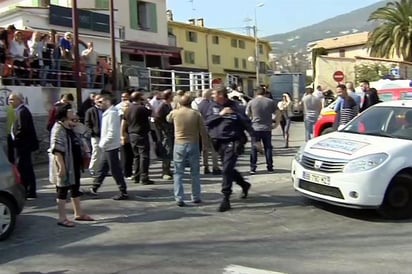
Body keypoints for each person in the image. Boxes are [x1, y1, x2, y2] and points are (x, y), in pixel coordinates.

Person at [204, 86, 253, 212]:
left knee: (226, 169)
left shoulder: (236, 106)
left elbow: (247, 123)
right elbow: (207, 122)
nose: (212, 96)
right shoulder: (212, 106)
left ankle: (226, 197)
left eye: (214, 94)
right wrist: (221, 115)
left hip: (233, 141)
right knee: (228, 168)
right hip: (218, 142)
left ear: (221, 94)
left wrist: (255, 140)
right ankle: (244, 184)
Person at [49, 104, 94, 227]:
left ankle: (78, 213)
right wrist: (61, 167)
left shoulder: (70, 127)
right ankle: (62, 218)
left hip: (73, 163)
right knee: (62, 190)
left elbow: (84, 133)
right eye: (71, 112)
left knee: (75, 188)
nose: (73, 114)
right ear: (64, 115)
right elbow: (57, 150)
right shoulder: (58, 129)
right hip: (65, 164)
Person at [166, 95, 208, 207]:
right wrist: (204, 144)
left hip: (179, 144)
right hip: (193, 144)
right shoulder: (196, 114)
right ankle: (196, 196)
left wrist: (175, 107)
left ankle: (179, 197)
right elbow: (202, 130)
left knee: (178, 172)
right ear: (190, 102)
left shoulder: (175, 113)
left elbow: (168, 119)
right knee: (195, 172)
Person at [86, 93, 129, 200]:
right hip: (107, 146)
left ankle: (123, 191)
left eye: (100, 101)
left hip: (110, 145)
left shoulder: (112, 114)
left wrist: (102, 143)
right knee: (102, 168)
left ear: (107, 101)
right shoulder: (108, 113)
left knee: (115, 170)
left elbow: (112, 132)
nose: (98, 104)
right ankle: (94, 188)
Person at [8, 92, 39, 199]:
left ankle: (30, 190)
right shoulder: (19, 111)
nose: (10, 102)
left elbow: (22, 129)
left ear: (19, 100)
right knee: (24, 167)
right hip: (22, 145)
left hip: (23, 145)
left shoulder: (22, 112)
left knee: (25, 168)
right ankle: (27, 189)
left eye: (12, 99)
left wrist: (15, 138)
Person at [122, 91, 154, 184]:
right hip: (141, 134)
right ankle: (144, 177)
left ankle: (136, 176)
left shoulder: (128, 109)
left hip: (132, 134)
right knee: (144, 156)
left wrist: (123, 133)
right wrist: (147, 103)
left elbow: (124, 122)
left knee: (136, 156)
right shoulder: (141, 108)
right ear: (140, 99)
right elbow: (154, 113)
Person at [246, 87, 277, 174]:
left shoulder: (251, 102)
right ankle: (270, 167)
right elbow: (277, 113)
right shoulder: (270, 102)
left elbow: (247, 114)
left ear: (256, 93)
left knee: (254, 148)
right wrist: (275, 124)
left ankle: (253, 168)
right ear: (265, 93)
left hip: (255, 128)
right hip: (267, 128)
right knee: (268, 147)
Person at [196, 89, 221, 175]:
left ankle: (205, 167)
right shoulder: (212, 104)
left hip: (202, 128)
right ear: (209, 95)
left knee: (204, 149)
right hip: (212, 128)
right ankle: (215, 167)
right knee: (214, 149)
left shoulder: (199, 105)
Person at [155, 89, 174, 180]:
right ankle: (165, 171)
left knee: (169, 151)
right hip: (166, 132)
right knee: (167, 150)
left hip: (170, 132)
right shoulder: (162, 106)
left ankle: (168, 169)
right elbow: (157, 118)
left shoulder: (168, 105)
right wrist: (164, 128)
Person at [85, 94, 103, 176]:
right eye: (97, 99)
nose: (100, 101)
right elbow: (87, 123)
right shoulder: (90, 110)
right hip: (96, 135)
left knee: (104, 153)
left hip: (105, 134)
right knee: (96, 151)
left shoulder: (106, 110)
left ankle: (102, 168)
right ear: (94, 101)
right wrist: (91, 132)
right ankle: (92, 168)